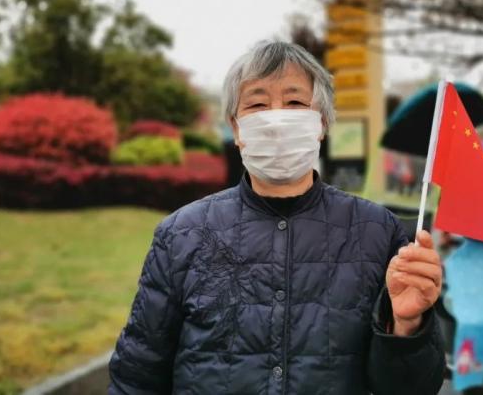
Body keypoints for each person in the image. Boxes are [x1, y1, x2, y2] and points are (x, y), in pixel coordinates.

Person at [108, 41, 446, 395]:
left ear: (321, 123)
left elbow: (411, 389)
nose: (276, 119)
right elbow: (136, 377)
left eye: (295, 102)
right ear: (236, 129)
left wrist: (407, 327)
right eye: (257, 104)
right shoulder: (181, 235)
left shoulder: (378, 232)